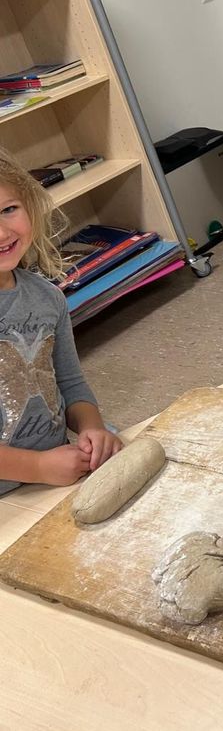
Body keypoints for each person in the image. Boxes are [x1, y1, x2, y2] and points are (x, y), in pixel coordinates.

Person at [0, 149, 122, 494]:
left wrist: (92, 428)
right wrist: (37, 466)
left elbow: (69, 383)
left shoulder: (46, 298)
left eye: (9, 209)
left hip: (58, 472)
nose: (2, 232)